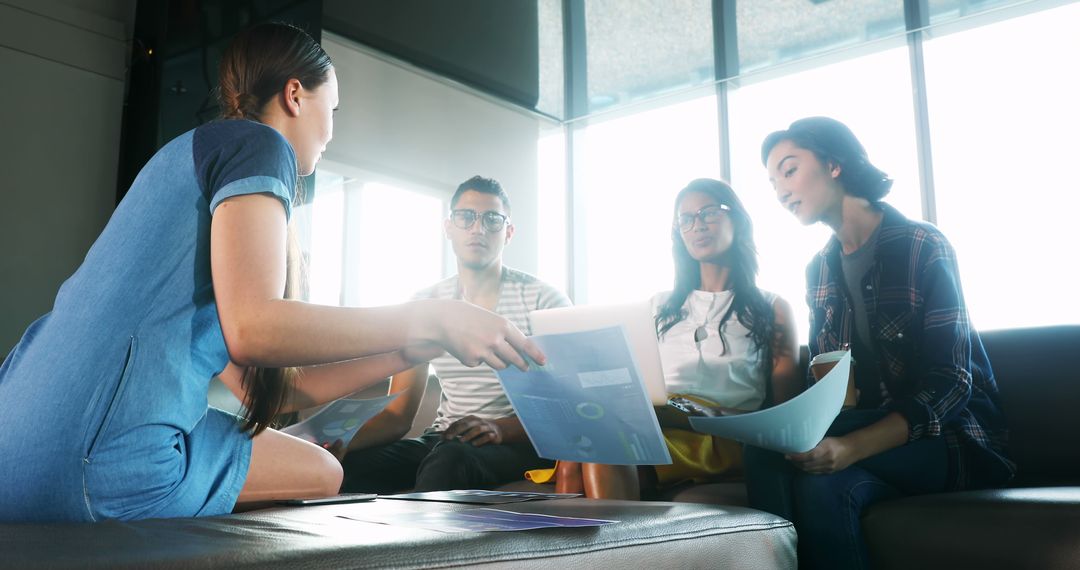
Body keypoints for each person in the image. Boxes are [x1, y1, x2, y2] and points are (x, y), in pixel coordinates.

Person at [0, 23, 543, 523]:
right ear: (295, 95)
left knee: (315, 463)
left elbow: (269, 388)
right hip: (99, 461)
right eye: (334, 108)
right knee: (322, 473)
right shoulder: (259, 144)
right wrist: (432, 316)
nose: (331, 131)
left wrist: (417, 347)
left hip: (15, 448)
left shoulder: (184, 155)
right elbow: (256, 328)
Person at [750, 116, 1014, 568]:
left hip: (950, 442)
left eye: (789, 170)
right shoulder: (819, 270)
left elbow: (952, 383)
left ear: (833, 165)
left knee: (763, 450)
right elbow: (832, 382)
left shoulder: (920, 244)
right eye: (772, 180)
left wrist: (852, 446)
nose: (779, 190)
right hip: (877, 440)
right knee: (819, 484)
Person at [554, 178, 802, 499]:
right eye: (686, 219)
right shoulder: (660, 306)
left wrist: (712, 415)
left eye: (709, 213)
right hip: (657, 426)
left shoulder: (772, 308)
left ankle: (601, 548)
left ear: (737, 220)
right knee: (584, 442)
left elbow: (786, 417)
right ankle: (605, 547)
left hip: (720, 438)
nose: (697, 225)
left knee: (600, 445)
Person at [338, 176, 571, 494]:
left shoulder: (545, 301)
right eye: (466, 217)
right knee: (356, 465)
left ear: (509, 232)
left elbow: (568, 406)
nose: (478, 229)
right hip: (446, 436)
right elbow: (398, 416)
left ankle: (425, 547)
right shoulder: (427, 304)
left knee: (450, 460)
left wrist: (498, 428)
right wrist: (338, 445)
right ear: (449, 227)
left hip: (518, 440)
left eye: (492, 219)